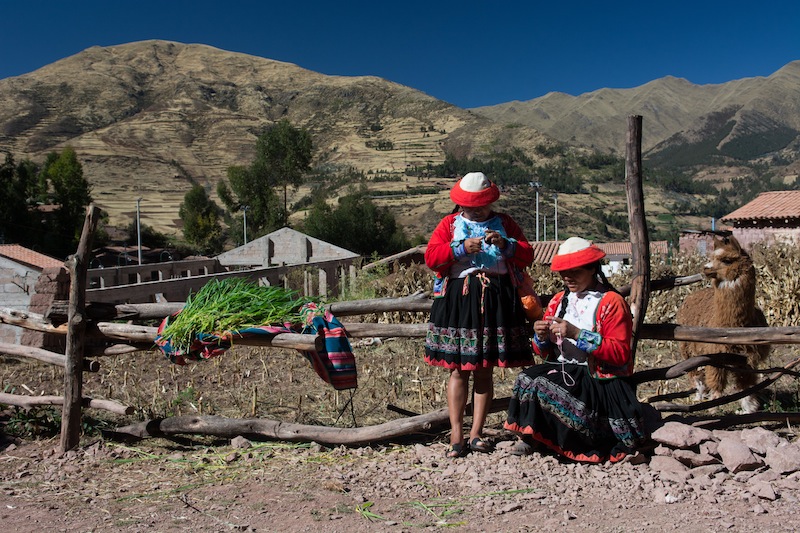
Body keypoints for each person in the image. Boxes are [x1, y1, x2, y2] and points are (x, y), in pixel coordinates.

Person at [504, 237, 649, 463]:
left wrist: (577, 334)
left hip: (601, 380)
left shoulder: (611, 302)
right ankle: (533, 436)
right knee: (526, 378)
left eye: (575, 272)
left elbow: (620, 353)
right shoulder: (559, 301)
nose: (567, 278)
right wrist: (541, 337)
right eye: (564, 273)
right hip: (567, 370)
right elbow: (543, 352)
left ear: (592, 269)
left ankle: (575, 441)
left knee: (544, 386)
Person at [424, 172, 534, 458]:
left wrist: (505, 244)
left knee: (484, 369)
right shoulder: (450, 224)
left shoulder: (505, 224)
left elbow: (527, 255)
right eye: (472, 206)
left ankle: (476, 433)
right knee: (459, 369)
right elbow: (432, 257)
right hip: (460, 301)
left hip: (496, 299)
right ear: (461, 205)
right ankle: (456, 434)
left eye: (482, 205)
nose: (477, 210)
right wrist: (459, 248)